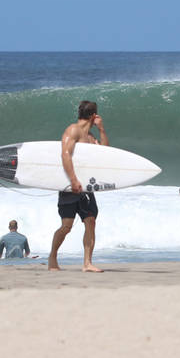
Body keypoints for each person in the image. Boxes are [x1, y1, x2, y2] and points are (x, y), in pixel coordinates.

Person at [50, 100, 108, 272]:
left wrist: (101, 129)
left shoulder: (91, 138)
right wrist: (74, 180)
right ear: (93, 115)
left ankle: (87, 263)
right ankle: (52, 257)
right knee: (66, 226)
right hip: (70, 186)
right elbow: (65, 155)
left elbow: (106, 153)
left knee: (90, 221)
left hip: (86, 188)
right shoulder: (72, 130)